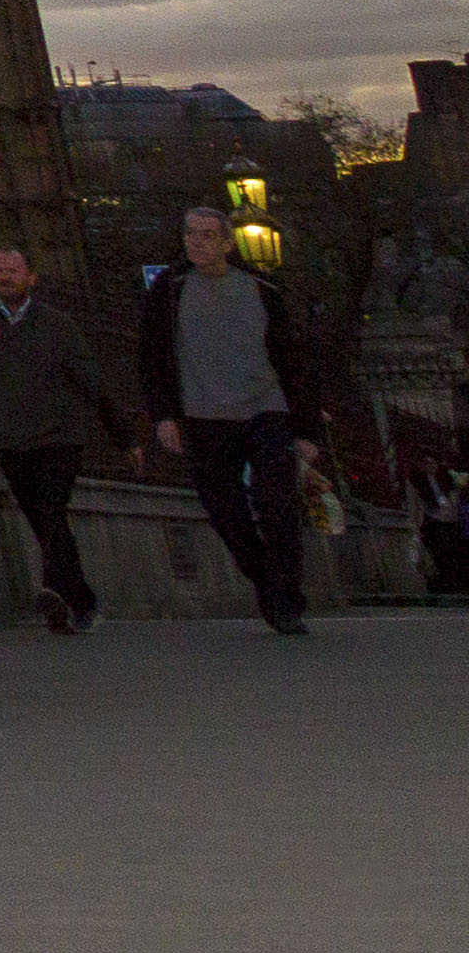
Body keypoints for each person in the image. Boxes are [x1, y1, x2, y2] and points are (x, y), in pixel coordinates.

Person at [138, 205, 342, 636]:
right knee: (225, 512)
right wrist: (163, 416)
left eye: (208, 235)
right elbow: (152, 356)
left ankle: (287, 597)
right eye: (191, 233)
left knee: (277, 506)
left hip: (264, 410)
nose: (198, 242)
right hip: (204, 415)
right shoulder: (169, 289)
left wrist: (306, 429)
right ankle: (267, 581)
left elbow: (291, 360)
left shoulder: (260, 288)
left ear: (228, 243)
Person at [0, 242, 134, 634]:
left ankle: (54, 588)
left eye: (13, 270)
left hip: (57, 436)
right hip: (10, 438)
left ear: (31, 277)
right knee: (42, 517)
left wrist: (123, 433)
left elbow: (90, 380)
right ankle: (79, 598)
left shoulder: (56, 325)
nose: (5, 277)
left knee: (51, 508)